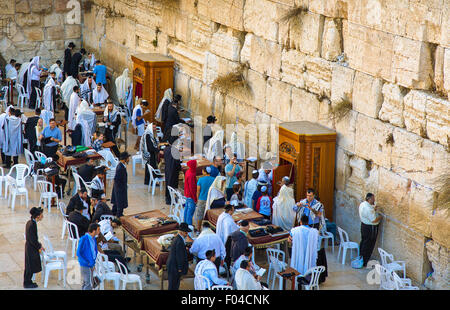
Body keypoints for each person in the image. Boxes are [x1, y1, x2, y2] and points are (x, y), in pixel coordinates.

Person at [359, 193, 382, 267]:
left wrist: (374, 209)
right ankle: (365, 262)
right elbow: (374, 220)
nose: (374, 200)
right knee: (369, 244)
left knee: (363, 242)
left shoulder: (363, 204)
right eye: (373, 199)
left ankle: (361, 258)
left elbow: (367, 213)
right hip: (370, 228)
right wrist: (380, 217)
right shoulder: (368, 209)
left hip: (364, 226)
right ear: (369, 199)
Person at [24, 207, 44, 289]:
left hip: (30, 246)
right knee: (30, 266)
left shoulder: (30, 222)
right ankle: (27, 283)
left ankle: (28, 281)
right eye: (41, 215)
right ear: (37, 216)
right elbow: (33, 239)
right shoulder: (32, 225)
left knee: (29, 265)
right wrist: (39, 246)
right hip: (31, 248)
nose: (42, 216)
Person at [167, 222, 192, 290]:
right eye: (186, 232)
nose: (187, 234)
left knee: (173, 285)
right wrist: (180, 269)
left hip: (173, 266)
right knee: (173, 286)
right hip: (174, 267)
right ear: (181, 232)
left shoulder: (178, 239)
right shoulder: (179, 241)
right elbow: (179, 257)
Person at [77, 223, 100, 290]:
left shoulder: (93, 239)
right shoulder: (83, 239)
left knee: (86, 282)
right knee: (88, 284)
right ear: (93, 231)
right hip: (85, 264)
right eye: (98, 230)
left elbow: (94, 251)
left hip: (91, 264)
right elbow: (78, 253)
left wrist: (93, 263)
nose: (99, 231)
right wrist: (87, 263)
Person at [111, 152, 130, 217]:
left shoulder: (121, 166)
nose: (129, 159)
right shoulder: (120, 168)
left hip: (119, 188)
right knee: (119, 206)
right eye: (128, 158)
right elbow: (117, 179)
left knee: (116, 204)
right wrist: (121, 188)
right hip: (120, 190)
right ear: (125, 159)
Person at [164, 140, 181, 205]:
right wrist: (180, 167)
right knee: (172, 185)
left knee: (168, 183)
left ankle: (167, 197)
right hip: (174, 170)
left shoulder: (166, 149)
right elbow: (177, 161)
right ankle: (171, 199)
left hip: (167, 168)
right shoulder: (175, 150)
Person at [184, 159, 198, 226]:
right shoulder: (192, 175)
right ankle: (189, 228)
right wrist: (195, 198)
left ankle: (185, 225)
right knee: (190, 213)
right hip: (191, 196)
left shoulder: (188, 171)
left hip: (187, 194)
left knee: (186, 211)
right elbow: (192, 188)